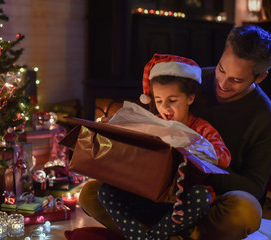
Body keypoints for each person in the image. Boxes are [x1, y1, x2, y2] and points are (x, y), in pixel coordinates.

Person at [79, 24, 271, 240]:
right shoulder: (191, 80)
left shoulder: (264, 115)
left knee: (246, 211)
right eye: (221, 69)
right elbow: (151, 115)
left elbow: (254, 186)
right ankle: (166, 235)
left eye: (236, 80)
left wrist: (193, 168)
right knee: (90, 194)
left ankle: (164, 233)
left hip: (207, 199)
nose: (222, 83)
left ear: (260, 77)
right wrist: (118, 126)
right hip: (154, 190)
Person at [98, 54, 231, 240]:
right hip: (148, 199)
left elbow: (224, 158)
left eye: (172, 100)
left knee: (202, 196)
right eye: (159, 101)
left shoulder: (201, 128)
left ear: (190, 98)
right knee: (105, 191)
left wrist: (189, 140)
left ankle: (154, 237)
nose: (165, 108)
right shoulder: (153, 123)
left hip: (182, 206)